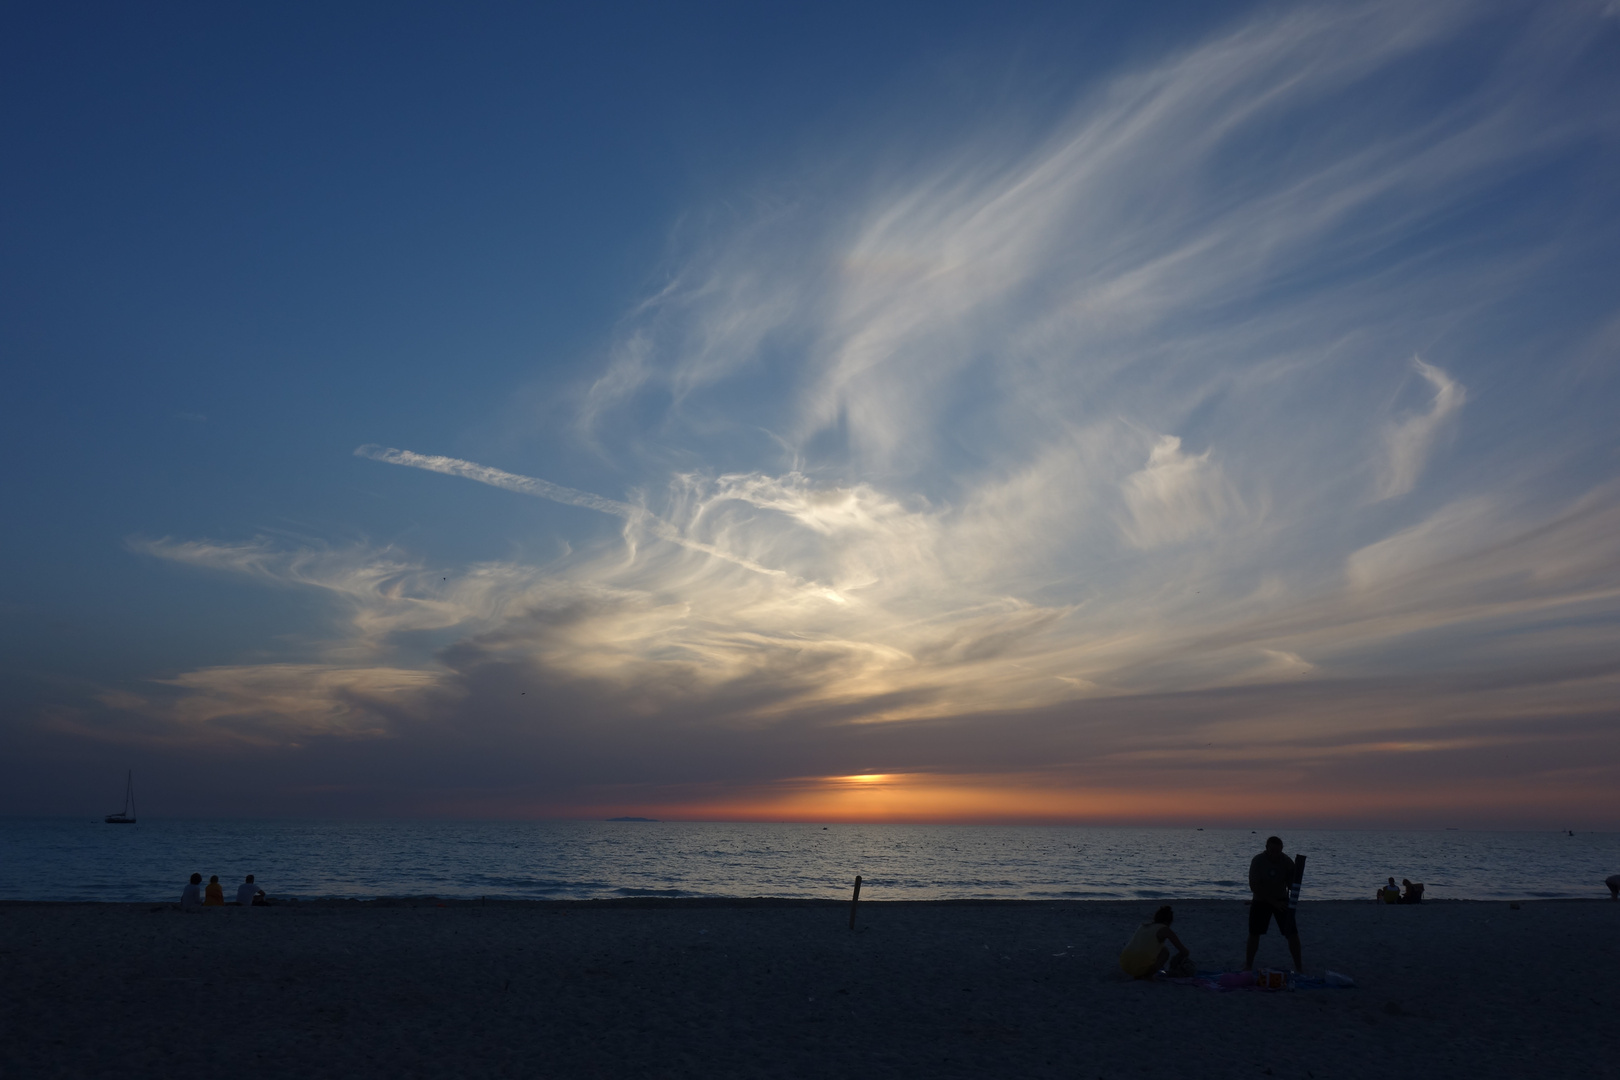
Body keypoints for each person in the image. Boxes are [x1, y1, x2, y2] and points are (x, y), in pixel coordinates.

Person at [1245, 836, 1303, 972]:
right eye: (1272, 850)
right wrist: (1273, 902)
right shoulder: (1258, 861)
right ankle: (1248, 965)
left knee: (1292, 933)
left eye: (1278, 851)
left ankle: (1299, 967)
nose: (1275, 854)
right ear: (1267, 849)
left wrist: (1294, 878)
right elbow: (1254, 886)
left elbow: (1291, 883)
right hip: (1261, 900)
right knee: (1254, 933)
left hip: (1281, 901)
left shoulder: (1286, 861)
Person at [1118, 905, 1189, 980]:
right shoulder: (1164, 929)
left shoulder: (1143, 926)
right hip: (1138, 965)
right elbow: (1183, 950)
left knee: (1160, 948)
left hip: (1124, 964)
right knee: (1165, 952)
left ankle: (1139, 974)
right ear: (1168, 922)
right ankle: (1148, 975)